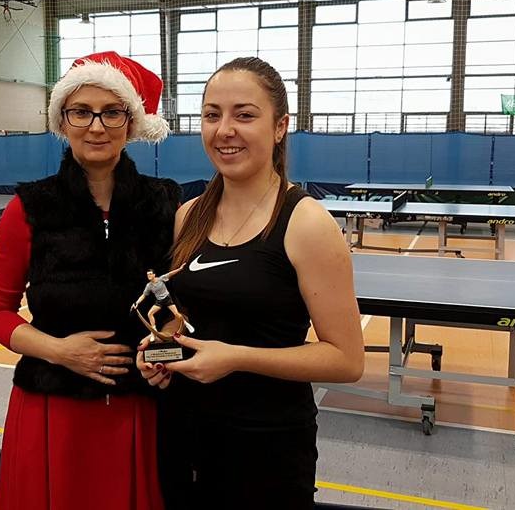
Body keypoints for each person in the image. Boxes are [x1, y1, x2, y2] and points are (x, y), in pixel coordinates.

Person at [137, 57, 365, 509]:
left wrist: (237, 358)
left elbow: (346, 360)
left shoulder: (306, 223)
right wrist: (161, 353)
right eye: (212, 115)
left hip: (266, 449)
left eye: (244, 115)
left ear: (279, 127)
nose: (224, 130)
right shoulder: (188, 216)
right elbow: (191, 325)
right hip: (184, 436)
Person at [0, 51, 181, 510]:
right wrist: (60, 351)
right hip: (52, 414)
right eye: (82, 112)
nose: (96, 126)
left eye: (112, 112)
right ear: (62, 120)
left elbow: (178, 312)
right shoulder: (27, 209)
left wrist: (164, 359)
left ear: (131, 123)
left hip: (140, 410)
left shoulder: (166, 205)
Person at [131, 265, 188, 339]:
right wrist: (137, 302)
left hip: (167, 299)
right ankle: (154, 331)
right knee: (150, 314)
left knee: (176, 314)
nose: (149, 276)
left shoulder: (161, 279)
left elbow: (170, 274)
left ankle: (185, 323)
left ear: (154, 275)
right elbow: (144, 295)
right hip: (159, 301)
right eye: (148, 275)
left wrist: (179, 269)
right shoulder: (149, 285)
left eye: (150, 274)